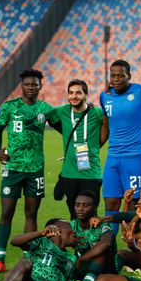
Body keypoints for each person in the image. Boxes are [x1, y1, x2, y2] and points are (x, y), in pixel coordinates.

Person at [0, 68, 62, 275]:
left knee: (31, 213)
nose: (31, 88)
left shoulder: (46, 109)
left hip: (35, 169)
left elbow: (63, 130)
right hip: (12, 168)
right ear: (22, 86)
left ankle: (30, 257)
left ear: (40, 86)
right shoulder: (10, 107)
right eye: (28, 84)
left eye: (35, 85)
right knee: (7, 212)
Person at [99, 59, 141, 222]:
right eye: (113, 76)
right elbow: (106, 124)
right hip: (112, 156)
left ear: (129, 76)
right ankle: (109, 242)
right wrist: (95, 148)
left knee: (134, 201)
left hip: (134, 155)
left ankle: (133, 242)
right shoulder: (105, 96)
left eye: (121, 75)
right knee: (110, 202)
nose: (116, 79)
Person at [55, 79, 105, 218]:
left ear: (86, 94)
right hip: (69, 175)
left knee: (91, 215)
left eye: (78, 93)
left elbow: (116, 123)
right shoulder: (62, 111)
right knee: (74, 215)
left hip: (91, 174)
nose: (74, 96)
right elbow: (45, 118)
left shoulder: (97, 113)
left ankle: (93, 240)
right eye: (71, 93)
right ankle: (76, 240)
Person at [70, 191, 116, 281]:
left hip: (106, 269)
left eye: (86, 205)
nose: (80, 209)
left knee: (101, 252)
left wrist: (81, 259)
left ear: (94, 207)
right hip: (82, 265)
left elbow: (106, 243)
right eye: (77, 205)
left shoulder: (103, 225)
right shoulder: (73, 225)